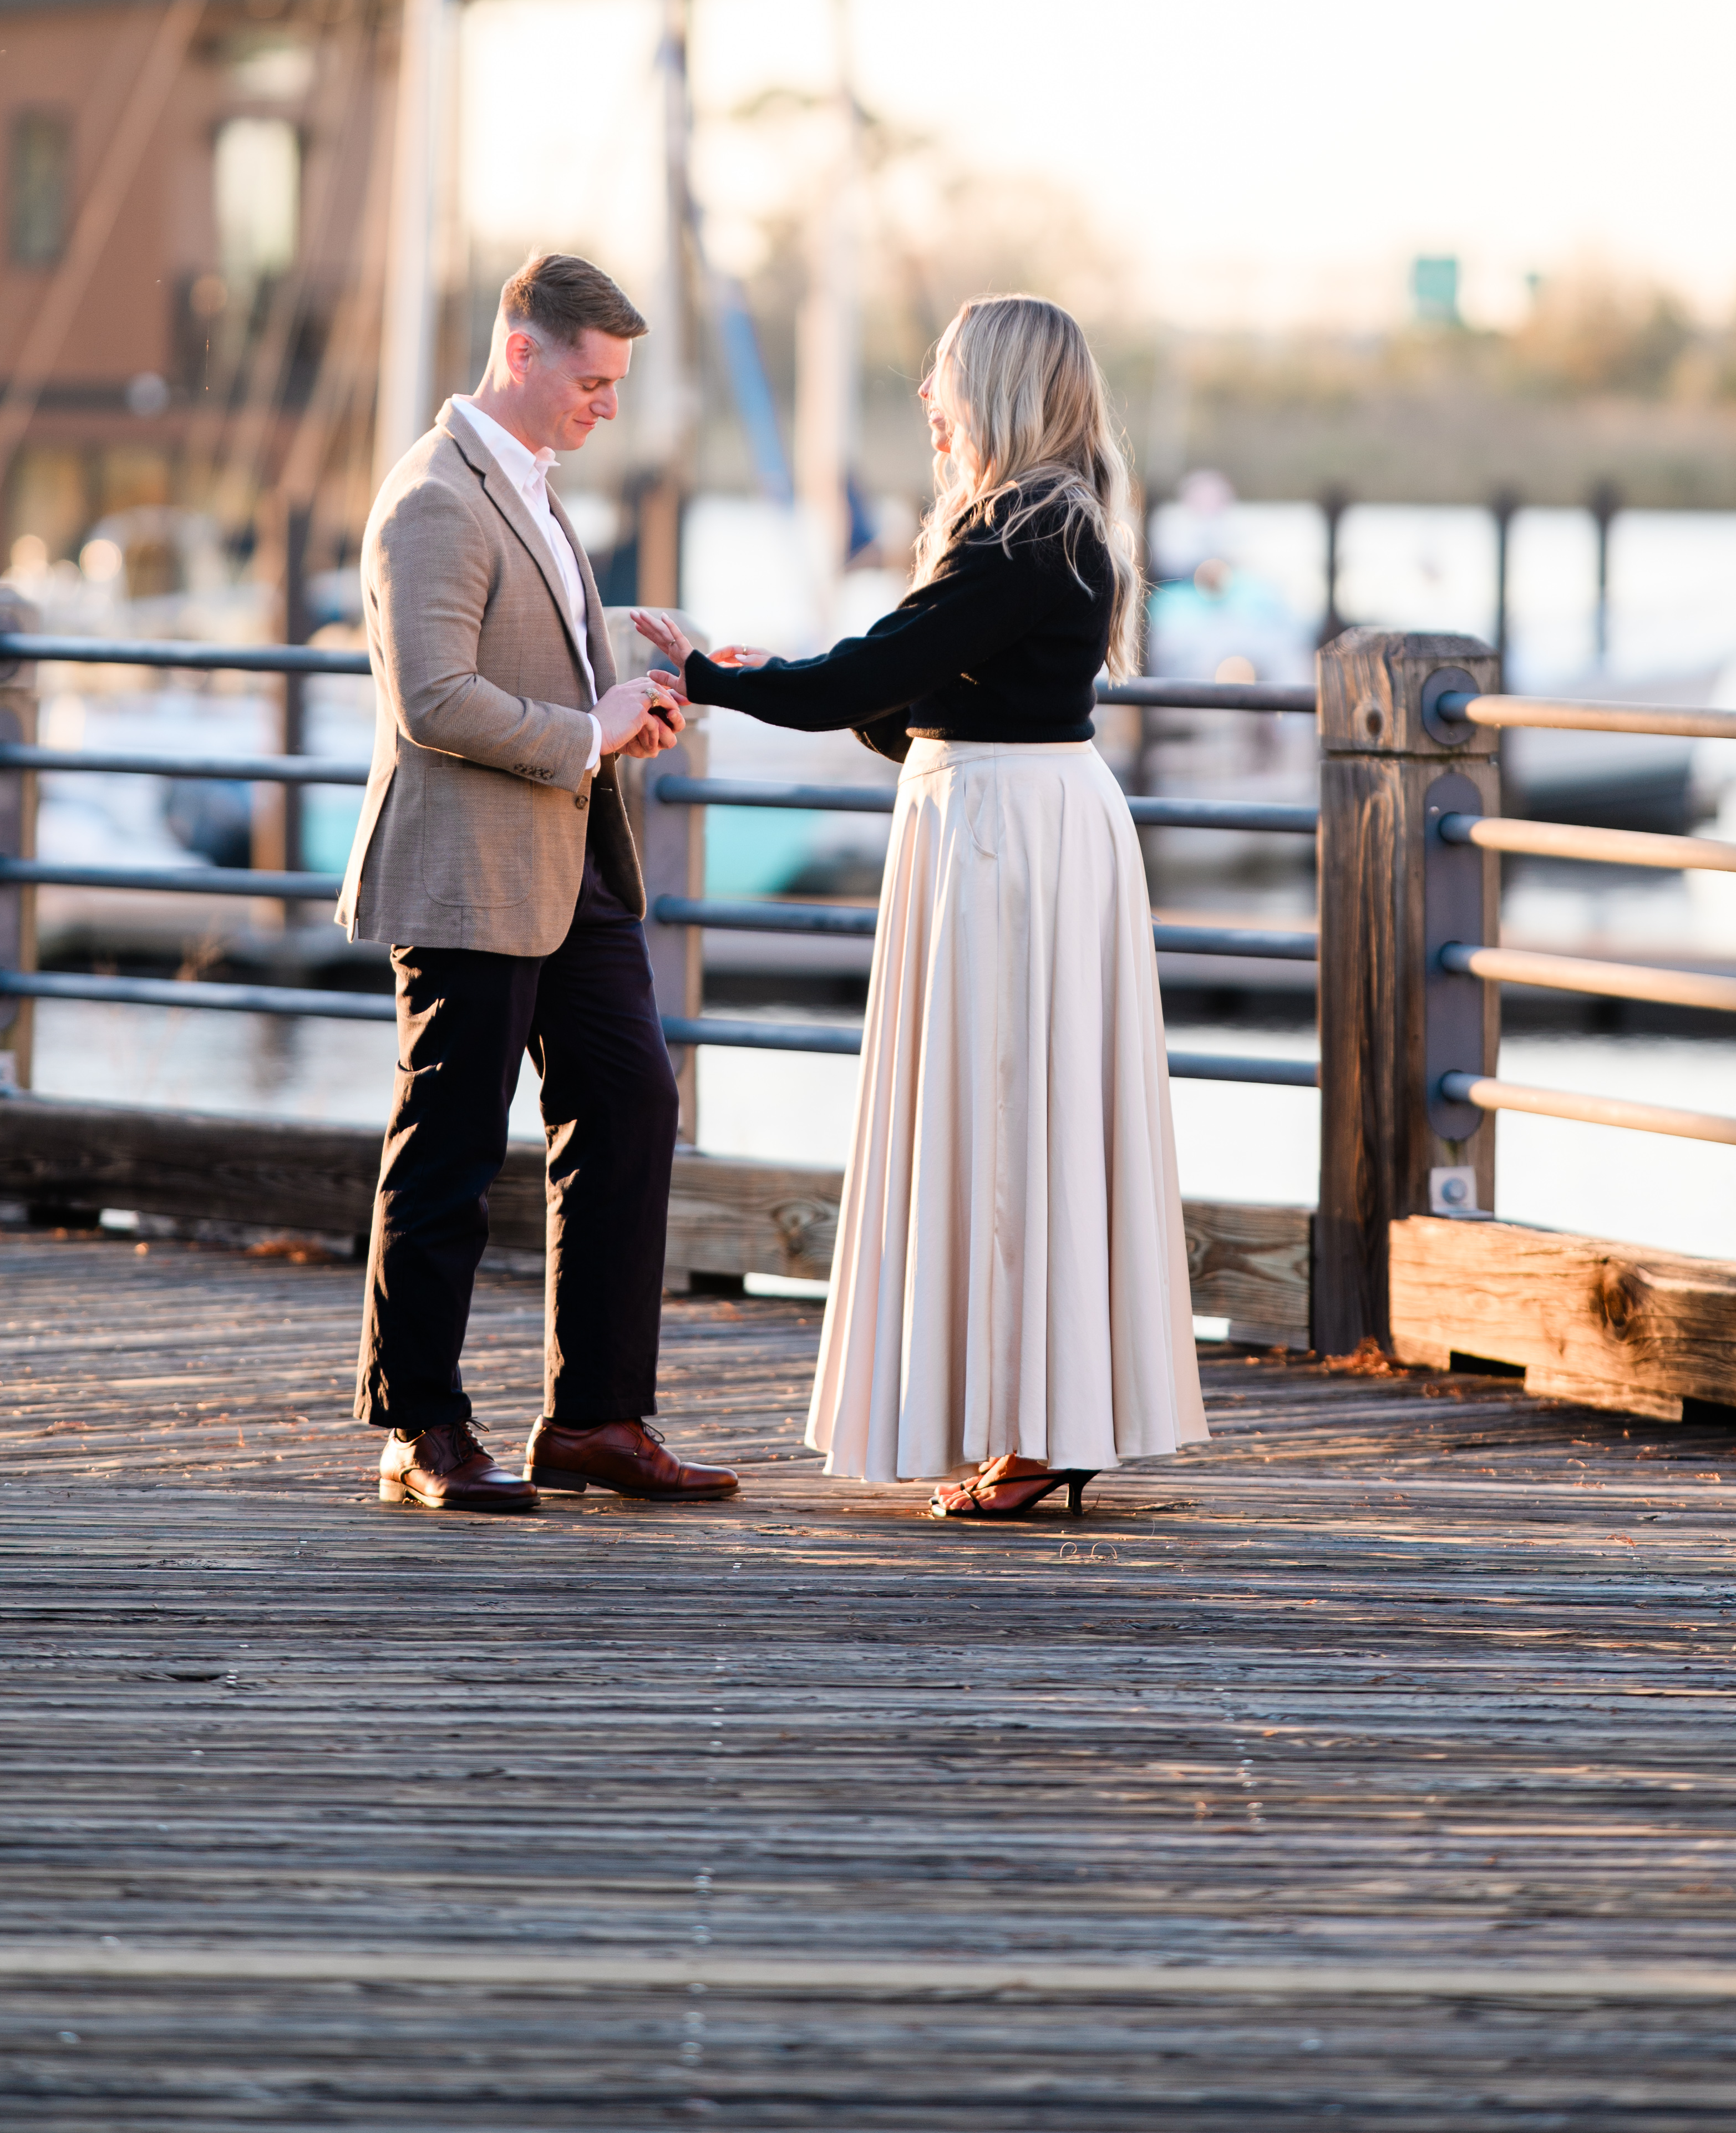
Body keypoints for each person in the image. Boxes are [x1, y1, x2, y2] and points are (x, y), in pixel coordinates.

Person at [637, 292, 1205, 1521]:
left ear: (995, 387)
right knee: (1021, 1121)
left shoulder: (1022, 535)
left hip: (1005, 838)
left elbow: (876, 677)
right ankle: (1040, 1412)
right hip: (1004, 822)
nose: (927, 402)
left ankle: (1040, 1427)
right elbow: (908, 701)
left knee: (1006, 1125)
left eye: (942, 377)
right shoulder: (1036, 530)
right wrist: (794, 683)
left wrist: (700, 678)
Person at [338, 251, 738, 1515]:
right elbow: (432, 697)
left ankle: (596, 1419)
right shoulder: (435, 498)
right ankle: (419, 1428)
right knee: (449, 1149)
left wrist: (631, 692)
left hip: (570, 868)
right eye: (595, 377)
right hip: (466, 872)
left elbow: (528, 659)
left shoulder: (529, 483)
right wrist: (588, 731)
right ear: (524, 350)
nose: (607, 404)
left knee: (629, 1105)